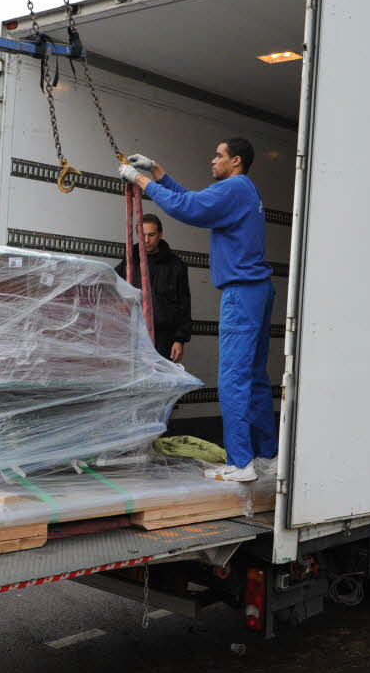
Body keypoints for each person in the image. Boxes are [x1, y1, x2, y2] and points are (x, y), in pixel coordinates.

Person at [118, 139, 275, 482]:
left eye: (218, 155)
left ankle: (240, 463)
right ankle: (266, 456)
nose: (212, 160)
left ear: (235, 161)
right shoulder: (242, 190)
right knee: (256, 379)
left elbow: (189, 207)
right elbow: (195, 200)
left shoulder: (233, 187)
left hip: (241, 293)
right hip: (258, 291)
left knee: (233, 379)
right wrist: (157, 170)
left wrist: (141, 181)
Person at [115, 213, 192, 363]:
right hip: (133, 337)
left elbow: (184, 305)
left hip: (164, 340)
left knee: (159, 384)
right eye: (142, 235)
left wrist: (179, 340)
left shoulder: (176, 266)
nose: (146, 240)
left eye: (151, 235)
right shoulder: (131, 261)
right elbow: (111, 285)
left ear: (160, 234)